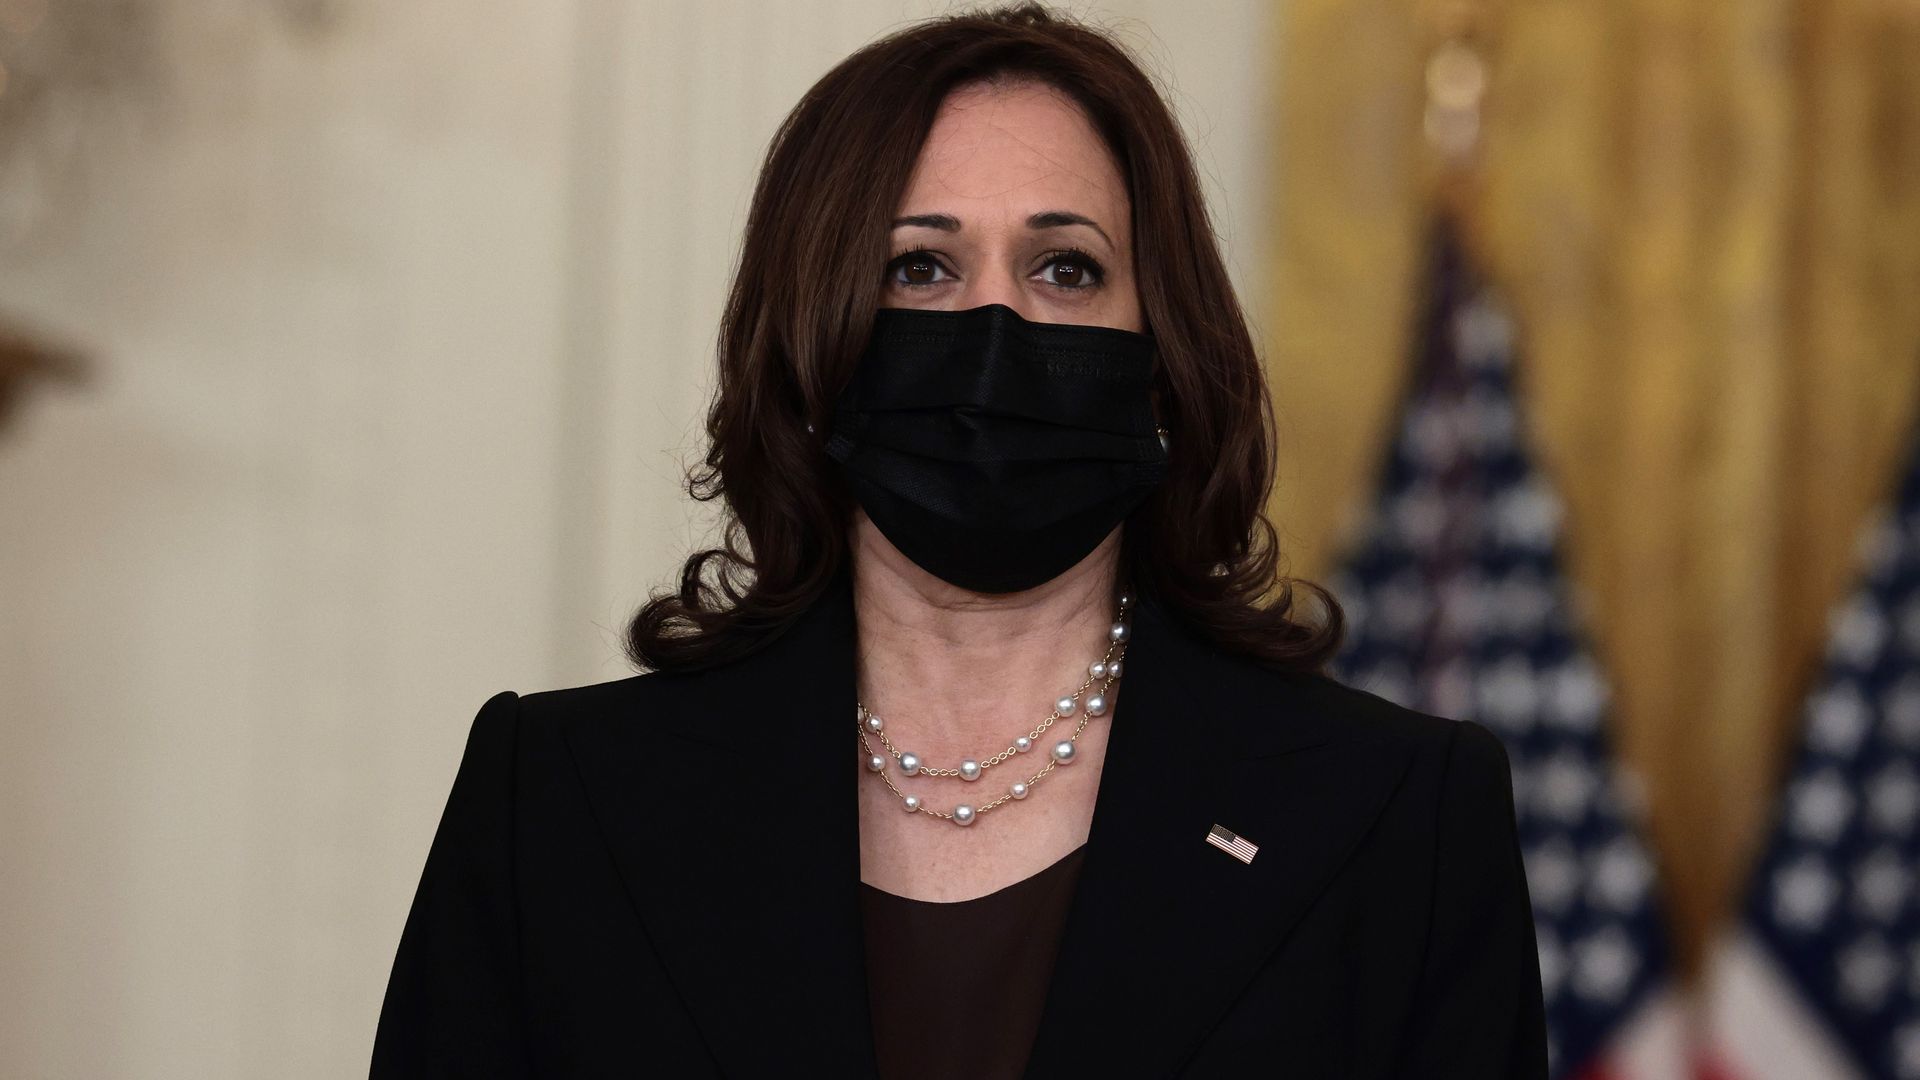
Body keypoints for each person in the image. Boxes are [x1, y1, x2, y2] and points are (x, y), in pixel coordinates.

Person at [371, 4, 1548, 1077]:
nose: (997, 328)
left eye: (1066, 268)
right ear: (816, 339)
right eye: (919, 267)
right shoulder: (560, 803)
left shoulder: (1401, 816)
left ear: (1164, 346)